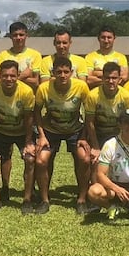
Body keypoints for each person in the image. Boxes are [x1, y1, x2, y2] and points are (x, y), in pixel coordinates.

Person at [33, 57, 91, 214]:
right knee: (41, 160)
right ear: (53, 73)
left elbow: (89, 114)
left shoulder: (81, 87)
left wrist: (85, 136)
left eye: (66, 72)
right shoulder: (44, 88)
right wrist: (41, 136)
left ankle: (82, 199)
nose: (63, 75)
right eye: (59, 72)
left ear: (72, 72)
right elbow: (36, 112)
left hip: (75, 130)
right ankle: (44, 200)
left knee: (84, 159)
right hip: (51, 131)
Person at [0, 60, 36, 214]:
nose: (8, 79)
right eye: (5, 76)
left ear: (18, 75)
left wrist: (27, 142)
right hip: (1, 131)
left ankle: (27, 199)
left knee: (30, 159)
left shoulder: (26, 91)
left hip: (22, 132)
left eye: (12, 75)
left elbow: (29, 118)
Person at [85, 62, 129, 152]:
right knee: (91, 158)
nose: (111, 81)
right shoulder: (93, 95)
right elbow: (90, 122)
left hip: (119, 134)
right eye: (107, 78)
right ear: (102, 79)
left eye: (114, 78)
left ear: (120, 79)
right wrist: (96, 147)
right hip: (99, 133)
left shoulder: (127, 96)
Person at [0, 21, 42, 91]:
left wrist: (10, 79)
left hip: (27, 97)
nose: (18, 38)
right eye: (15, 35)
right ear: (10, 36)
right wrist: (24, 75)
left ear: (26, 35)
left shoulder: (35, 55)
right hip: (7, 97)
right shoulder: (3, 55)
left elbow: (36, 82)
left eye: (21, 35)